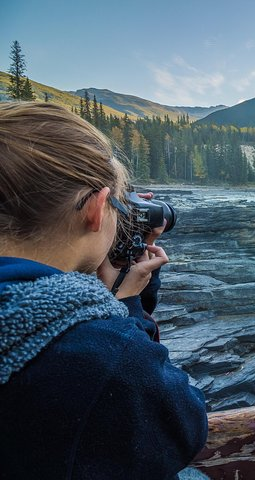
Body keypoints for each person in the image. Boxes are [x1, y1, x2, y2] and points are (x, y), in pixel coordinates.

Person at [0, 102, 208, 479]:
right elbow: (182, 425)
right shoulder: (98, 352)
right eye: (117, 205)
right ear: (97, 209)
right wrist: (126, 307)